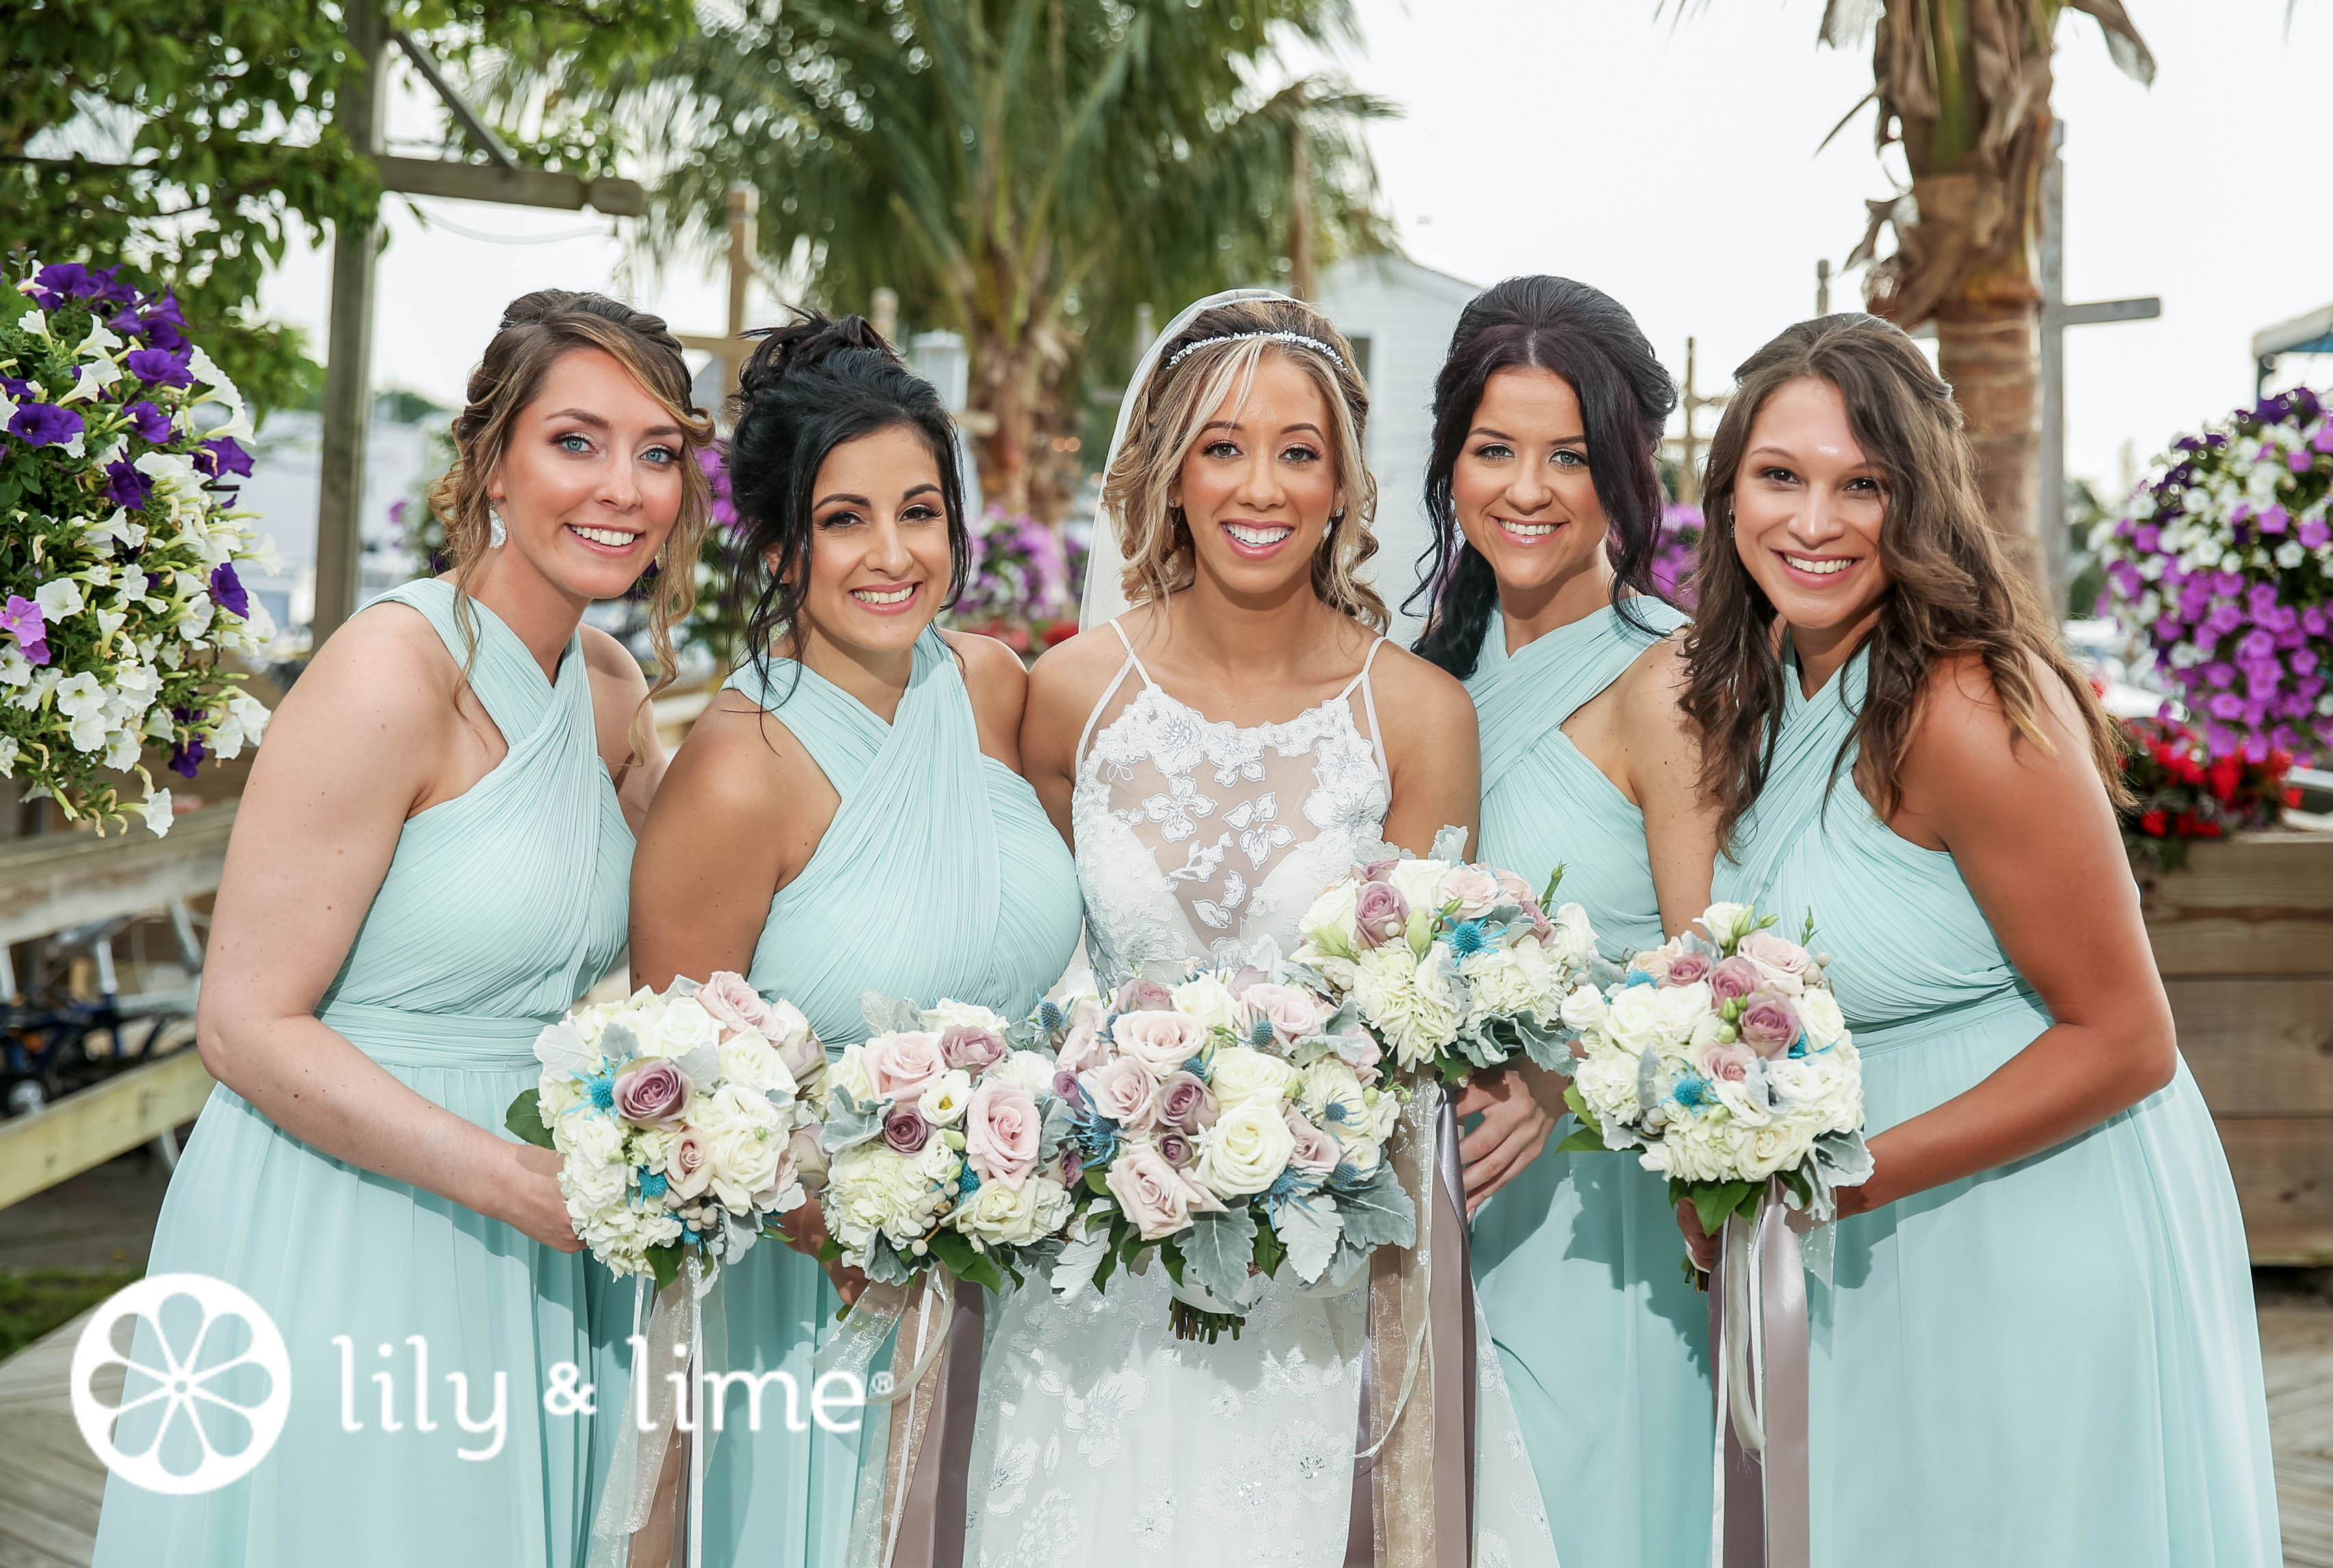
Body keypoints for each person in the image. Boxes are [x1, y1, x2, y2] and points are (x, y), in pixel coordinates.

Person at [90, 291, 710, 1567]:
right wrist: (501, 1177)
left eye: (657, 452)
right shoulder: (390, 668)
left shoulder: (610, 690)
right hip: (353, 1213)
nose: (624, 487)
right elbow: (243, 1024)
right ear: (492, 461)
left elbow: (705, 909)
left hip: (543, 1233)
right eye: (576, 441)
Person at [967, 290, 1554, 1566]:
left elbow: (1424, 1015)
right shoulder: (1069, 694)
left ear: (1342, 483)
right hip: (1100, 1273)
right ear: (1168, 470)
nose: (1261, 486)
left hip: (1328, 1289)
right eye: (1222, 446)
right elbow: (1023, 960)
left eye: (1299, 451)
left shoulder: (1418, 714)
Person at [1686, 314, 2282, 1567]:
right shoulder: (1769, 688)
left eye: (1862, 485)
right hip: (1868, 1226)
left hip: (2022, 1216)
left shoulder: (1964, 704)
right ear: (1728, 489)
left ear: (1920, 501)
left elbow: (2125, 1036)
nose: (1814, 520)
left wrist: (1834, 1179)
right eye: (1780, 475)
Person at [614, 309, 1083, 1566]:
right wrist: (853, 1215)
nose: (892, 554)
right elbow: (679, 1102)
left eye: (919, 512)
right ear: (779, 543)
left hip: (1022, 1287)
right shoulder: (737, 770)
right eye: (844, 518)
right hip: (812, 1309)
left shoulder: (992, 687)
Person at [1411, 275, 1715, 1566]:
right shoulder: (1415, 678)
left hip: (1603, 1227)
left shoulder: (1671, 677)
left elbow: (1713, 979)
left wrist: (1560, 1073)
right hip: (1427, 1215)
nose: (1526, 490)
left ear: (1628, 472)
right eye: (1494, 450)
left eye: (1570, 456)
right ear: (1450, 461)